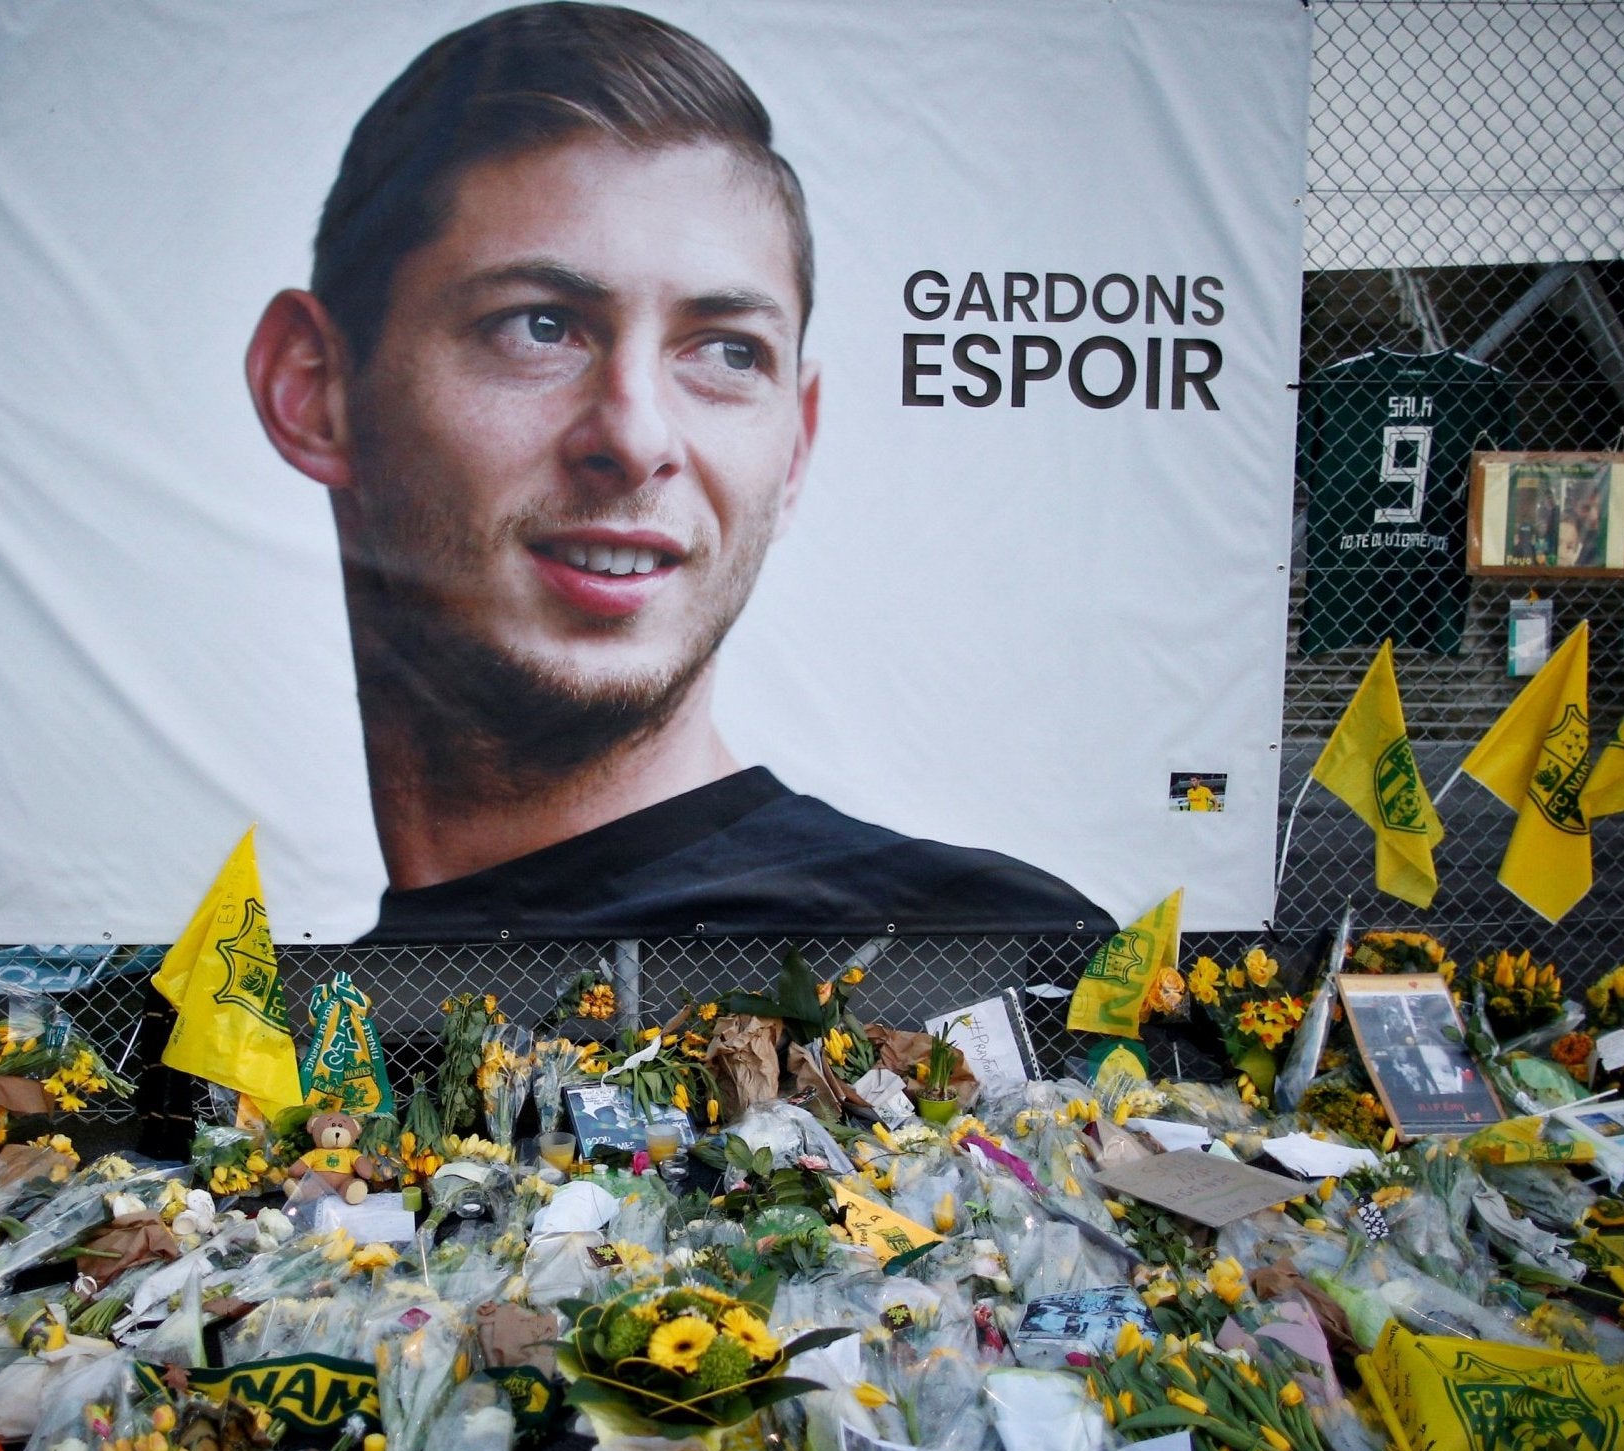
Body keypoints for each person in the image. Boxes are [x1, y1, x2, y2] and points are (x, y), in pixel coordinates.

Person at [245, 2, 1107, 942]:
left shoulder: (984, 961)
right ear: (313, 390)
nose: (638, 436)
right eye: (538, 325)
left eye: (729, 353)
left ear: (797, 448)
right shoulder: (226, 1030)